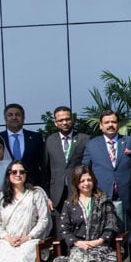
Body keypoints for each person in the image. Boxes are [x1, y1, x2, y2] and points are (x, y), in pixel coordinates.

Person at [82, 110, 131, 262]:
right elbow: (86, 171)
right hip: (102, 200)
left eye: (114, 122)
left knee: (130, 240)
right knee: (106, 240)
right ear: (100, 125)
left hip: (128, 199)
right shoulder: (92, 145)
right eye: (107, 122)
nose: (110, 125)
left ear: (118, 124)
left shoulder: (129, 142)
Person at [58, 165, 119, 262]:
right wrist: (77, 243)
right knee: (79, 259)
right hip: (79, 245)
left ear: (94, 181)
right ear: (76, 183)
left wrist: (98, 241)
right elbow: (64, 229)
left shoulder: (103, 200)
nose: (86, 183)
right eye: (82, 180)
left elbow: (111, 225)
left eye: (89, 180)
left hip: (100, 245)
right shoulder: (70, 204)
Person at [42, 106, 89, 253]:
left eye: (67, 119)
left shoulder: (84, 139)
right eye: (60, 120)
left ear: (72, 119)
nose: (64, 122)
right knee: (61, 234)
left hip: (77, 192)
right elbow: (45, 170)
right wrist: (48, 196)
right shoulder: (50, 141)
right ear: (55, 122)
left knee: (78, 229)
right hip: (57, 197)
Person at [0, 103, 45, 186]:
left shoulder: (36, 138)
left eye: (17, 115)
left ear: (23, 118)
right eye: (10, 115)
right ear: (5, 118)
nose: (14, 117)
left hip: (32, 186)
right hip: (5, 186)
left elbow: (44, 165)